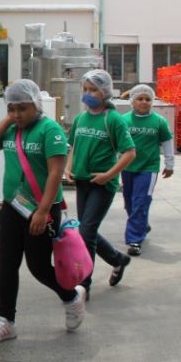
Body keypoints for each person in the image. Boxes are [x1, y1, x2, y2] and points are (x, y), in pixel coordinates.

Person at [0, 79, 86, 345]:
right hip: (13, 206)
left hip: (42, 208)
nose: (17, 114)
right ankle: (6, 321)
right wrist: (7, 121)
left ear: (36, 105)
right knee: (7, 262)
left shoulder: (50, 130)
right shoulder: (12, 127)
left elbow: (55, 173)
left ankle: (71, 296)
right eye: (11, 108)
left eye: (22, 108)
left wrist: (43, 211)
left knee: (38, 266)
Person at [65, 69, 136, 301]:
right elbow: (72, 146)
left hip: (102, 185)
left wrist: (108, 175)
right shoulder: (79, 118)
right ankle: (118, 259)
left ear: (104, 92)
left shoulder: (112, 119)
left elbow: (129, 153)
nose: (88, 94)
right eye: (85, 89)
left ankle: (84, 284)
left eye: (93, 89)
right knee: (88, 230)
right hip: (82, 182)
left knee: (85, 232)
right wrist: (68, 168)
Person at [120, 84, 175, 257]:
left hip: (148, 168)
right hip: (127, 166)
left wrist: (169, 163)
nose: (144, 102)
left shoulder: (159, 121)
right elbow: (116, 143)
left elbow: (167, 142)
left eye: (148, 99)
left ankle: (134, 240)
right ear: (132, 101)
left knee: (140, 201)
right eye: (140, 99)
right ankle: (141, 223)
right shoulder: (123, 120)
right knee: (129, 201)